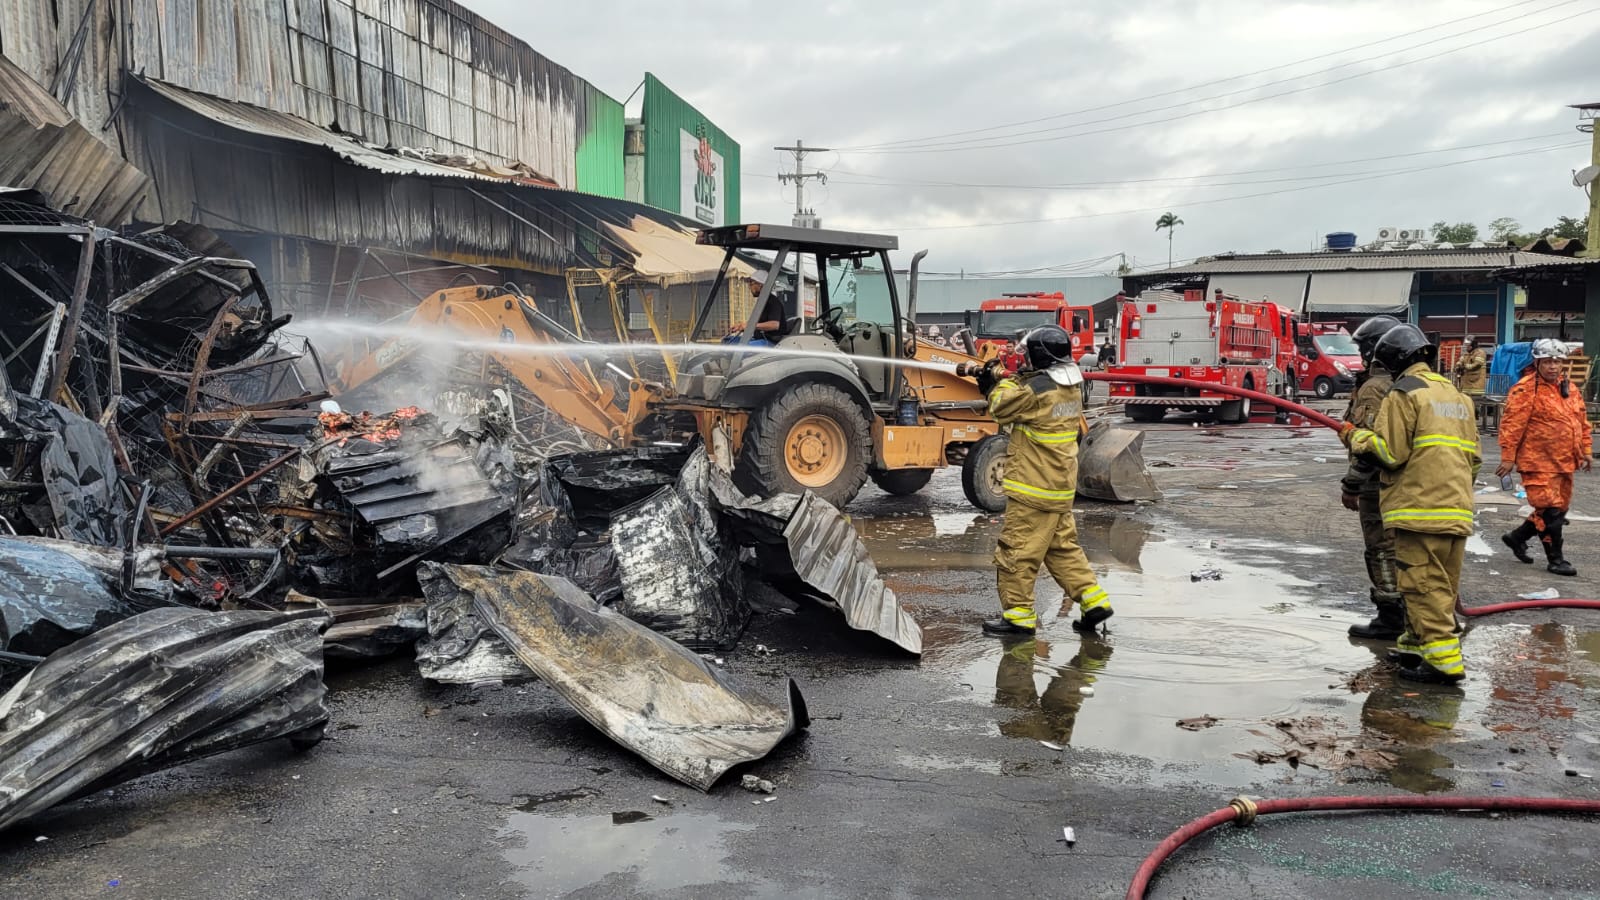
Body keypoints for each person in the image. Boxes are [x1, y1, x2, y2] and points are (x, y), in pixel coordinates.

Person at [1341, 324, 1479, 684]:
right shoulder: (1456, 395)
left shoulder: (1404, 393)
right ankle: (1415, 648)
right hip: (1457, 507)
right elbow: (1475, 459)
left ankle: (1444, 664)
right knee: (1441, 584)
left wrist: (1356, 437)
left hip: (1420, 509)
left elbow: (1390, 452)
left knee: (1421, 584)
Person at [974, 325, 1114, 636]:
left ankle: (1018, 616)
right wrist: (1005, 376)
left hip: (1032, 488)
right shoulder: (1068, 388)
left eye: (1028, 356)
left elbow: (1000, 407)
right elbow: (1028, 389)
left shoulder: (1036, 392)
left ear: (1040, 357)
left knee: (1016, 551)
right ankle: (1094, 602)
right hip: (1058, 487)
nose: (1023, 361)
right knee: (1062, 548)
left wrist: (989, 384)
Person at [1497, 339, 1593, 577]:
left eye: (1557, 361)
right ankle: (1556, 560)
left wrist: (1586, 451)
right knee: (1549, 511)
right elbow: (1512, 425)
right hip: (1537, 461)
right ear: (1537, 362)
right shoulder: (1525, 389)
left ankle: (1516, 538)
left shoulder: (1569, 389)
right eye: (1548, 361)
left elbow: (1581, 423)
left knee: (1558, 509)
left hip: (1564, 462)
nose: (1553, 366)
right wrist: (1508, 457)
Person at [1341, 315, 1403, 639]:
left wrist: (1352, 483)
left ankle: (1391, 616)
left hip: (1376, 485)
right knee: (1402, 548)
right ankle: (1411, 612)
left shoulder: (1374, 388)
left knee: (1380, 548)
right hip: (1404, 485)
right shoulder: (1406, 383)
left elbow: (1367, 442)